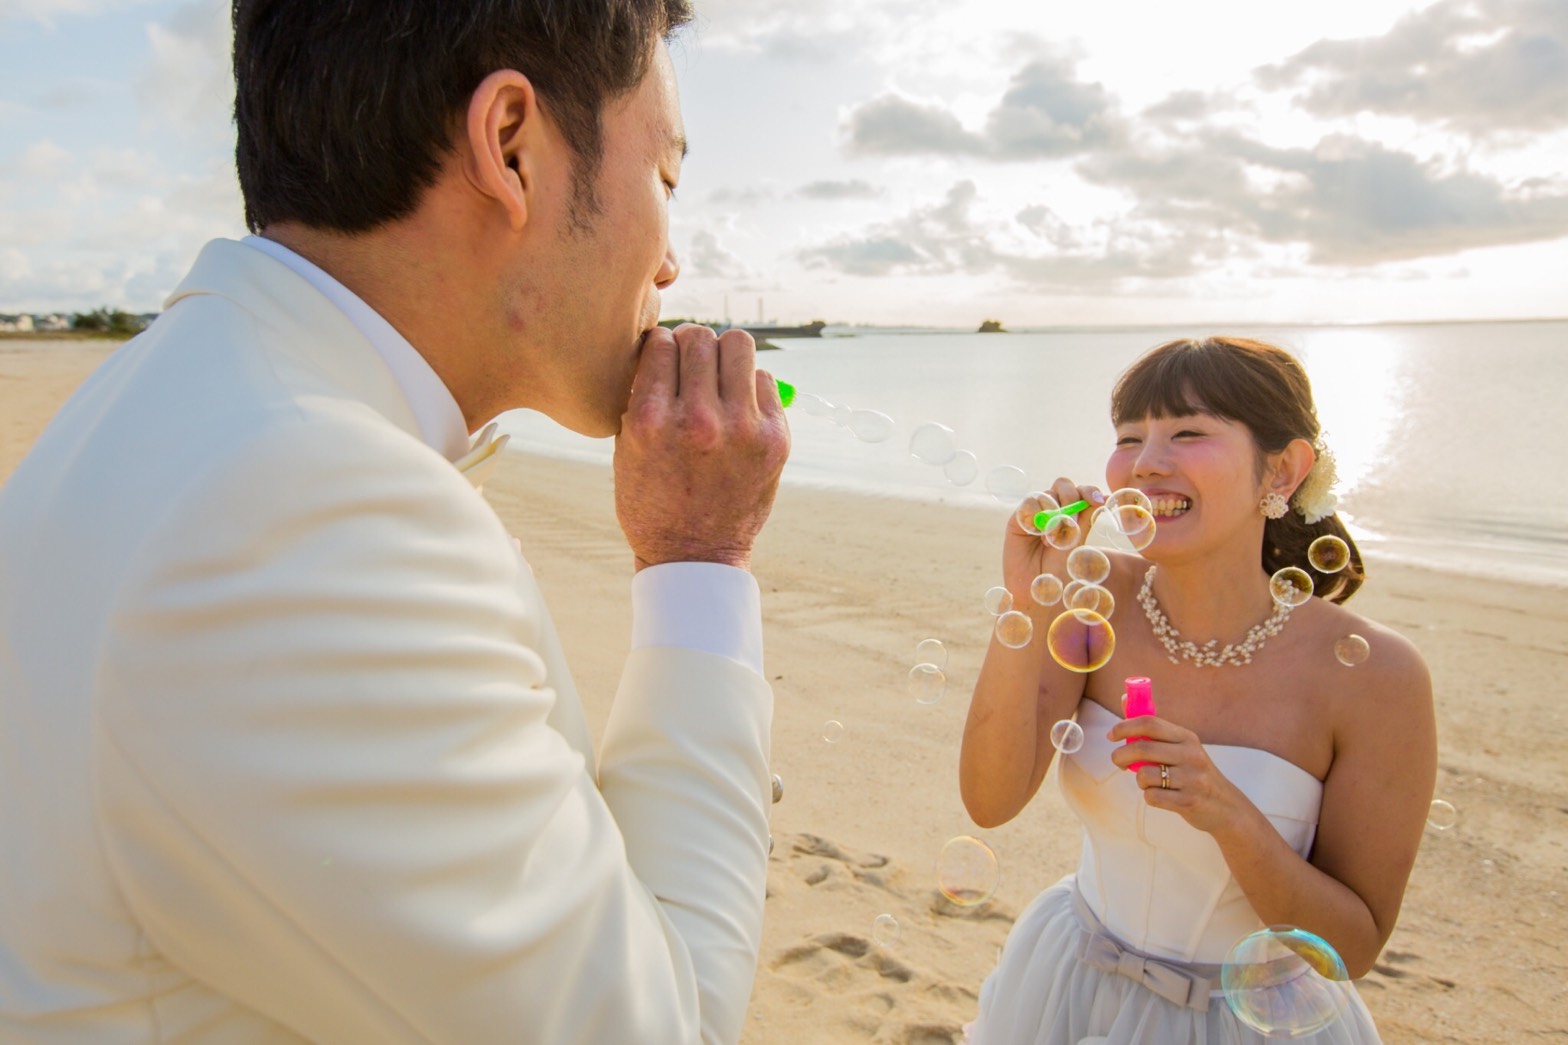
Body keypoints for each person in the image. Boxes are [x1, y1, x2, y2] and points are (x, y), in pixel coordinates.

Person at [0, 2, 790, 1042]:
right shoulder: (301, 506)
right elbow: (657, 1025)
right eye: (665, 182)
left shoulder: (182, 399)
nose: (670, 264)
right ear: (510, 144)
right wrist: (699, 556)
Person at [959, 336, 1435, 1043]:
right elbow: (990, 801)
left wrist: (1226, 811)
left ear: (1283, 469)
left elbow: (1353, 946)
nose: (1146, 461)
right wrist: (1027, 602)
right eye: (1129, 437)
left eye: (1187, 432)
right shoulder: (1093, 597)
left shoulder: (1374, 674)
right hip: (1067, 988)